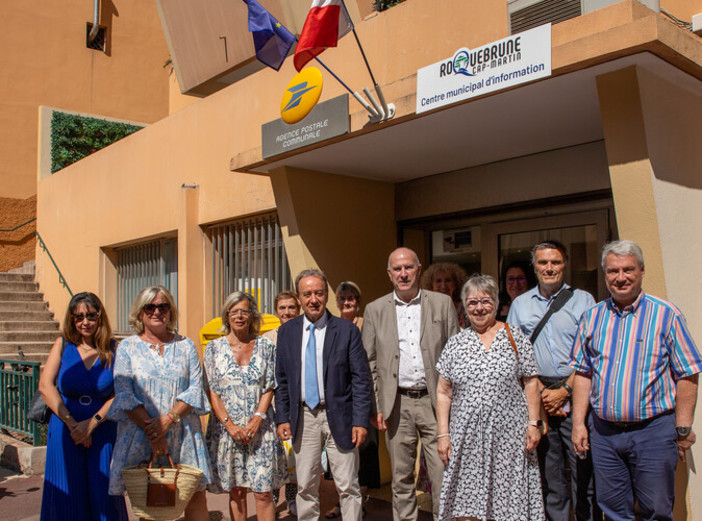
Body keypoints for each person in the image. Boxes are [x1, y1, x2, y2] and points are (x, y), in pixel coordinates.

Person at [571, 240, 702, 521]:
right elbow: (583, 373)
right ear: (605, 275)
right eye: (613, 271)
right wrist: (579, 423)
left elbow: (688, 373)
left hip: (653, 432)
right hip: (604, 433)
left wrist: (682, 427)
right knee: (613, 510)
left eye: (628, 269)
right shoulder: (591, 317)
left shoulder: (666, 315)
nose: (620, 277)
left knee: (656, 510)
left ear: (641, 271)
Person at [436, 274, 544, 521]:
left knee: (507, 504)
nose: (479, 308)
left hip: (510, 439)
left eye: (485, 301)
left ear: (496, 302)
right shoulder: (455, 344)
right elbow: (443, 392)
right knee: (466, 505)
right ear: (464, 305)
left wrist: (533, 424)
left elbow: (531, 382)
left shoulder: (515, 337)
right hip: (467, 439)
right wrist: (443, 435)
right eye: (472, 302)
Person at [363, 247, 460, 521]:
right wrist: (377, 405)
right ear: (389, 273)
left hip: (436, 403)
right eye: (397, 269)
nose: (403, 274)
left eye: (408, 268)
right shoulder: (374, 309)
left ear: (418, 269)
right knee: (402, 478)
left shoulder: (442, 304)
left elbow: (456, 354)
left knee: (443, 473)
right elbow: (369, 362)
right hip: (397, 404)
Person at [507, 241, 598, 521]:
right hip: (539, 396)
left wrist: (566, 389)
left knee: (585, 477)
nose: (549, 268)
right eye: (543, 263)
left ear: (564, 265)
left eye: (555, 262)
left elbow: (592, 351)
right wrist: (544, 393)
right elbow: (513, 354)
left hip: (577, 391)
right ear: (534, 268)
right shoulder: (520, 305)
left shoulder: (584, 300)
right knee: (550, 476)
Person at [275, 269, 372, 521]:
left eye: (318, 293)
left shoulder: (346, 330)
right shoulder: (287, 332)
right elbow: (282, 380)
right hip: (303, 418)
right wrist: (282, 417)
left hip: (341, 417)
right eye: (307, 294)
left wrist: (361, 421)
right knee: (306, 486)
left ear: (326, 295)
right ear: (299, 298)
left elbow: (361, 379)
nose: (313, 299)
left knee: (348, 485)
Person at [108, 286, 212, 521]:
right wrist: (155, 433)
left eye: (162, 306)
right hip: (141, 433)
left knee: (195, 497)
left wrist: (168, 419)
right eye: (150, 306)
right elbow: (124, 394)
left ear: (170, 311)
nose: (157, 311)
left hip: (184, 432)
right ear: (140, 312)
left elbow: (196, 388)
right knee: (152, 502)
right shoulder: (127, 347)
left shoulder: (186, 346)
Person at [39, 292, 128, 521]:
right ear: (71, 319)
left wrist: (91, 424)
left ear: (100, 317)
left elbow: (121, 393)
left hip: (102, 429)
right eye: (78, 317)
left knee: (103, 493)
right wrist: (72, 425)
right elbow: (45, 386)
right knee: (67, 494)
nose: (85, 322)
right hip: (65, 430)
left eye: (90, 315)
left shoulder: (114, 348)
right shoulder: (62, 345)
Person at [203, 292, 287, 521]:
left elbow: (269, 386)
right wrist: (230, 426)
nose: (239, 316)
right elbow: (213, 392)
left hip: (261, 430)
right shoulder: (213, 349)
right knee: (237, 491)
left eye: (244, 310)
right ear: (226, 315)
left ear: (252, 315)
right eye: (234, 311)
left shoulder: (266, 346)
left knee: (263, 493)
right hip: (226, 431)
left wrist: (257, 419)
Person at [325, 281, 381, 519]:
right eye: (342, 298)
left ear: (358, 302)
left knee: (364, 451)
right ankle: (343, 500)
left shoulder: (366, 326)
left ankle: (358, 501)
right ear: (336, 302)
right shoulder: (330, 326)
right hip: (338, 400)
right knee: (339, 452)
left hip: (362, 397)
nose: (346, 302)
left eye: (351, 298)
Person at [264, 290, 301, 516]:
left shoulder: (306, 334)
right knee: (275, 458)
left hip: (300, 406)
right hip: (274, 407)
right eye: (282, 308)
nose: (287, 312)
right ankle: (272, 500)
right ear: (276, 311)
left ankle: (292, 498)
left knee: (295, 457)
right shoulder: (268, 339)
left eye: (291, 308)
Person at [420, 262, 469, 328]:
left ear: (455, 284)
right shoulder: (424, 310)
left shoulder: (465, 310)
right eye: (438, 281)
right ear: (431, 285)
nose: (443, 286)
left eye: (448, 280)